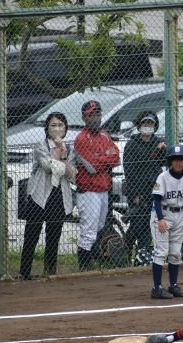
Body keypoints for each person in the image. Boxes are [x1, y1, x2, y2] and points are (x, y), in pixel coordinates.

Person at [20, 112, 77, 279]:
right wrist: (57, 149)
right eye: (53, 125)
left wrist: (63, 155)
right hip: (39, 196)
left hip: (59, 196)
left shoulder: (70, 149)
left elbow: (71, 175)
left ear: (65, 128)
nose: (57, 128)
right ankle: (25, 273)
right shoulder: (41, 145)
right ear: (47, 128)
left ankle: (50, 272)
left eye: (60, 125)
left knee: (53, 237)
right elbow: (48, 166)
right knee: (31, 235)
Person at [73, 100, 121, 270]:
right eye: (91, 115)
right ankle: (84, 267)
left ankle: (95, 262)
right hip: (89, 191)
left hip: (103, 189)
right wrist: (106, 159)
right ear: (84, 118)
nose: (95, 118)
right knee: (89, 231)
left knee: (100, 227)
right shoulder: (81, 139)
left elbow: (117, 158)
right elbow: (92, 167)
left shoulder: (105, 135)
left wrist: (101, 159)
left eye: (98, 114)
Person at [150, 144, 183, 299]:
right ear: (170, 161)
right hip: (163, 214)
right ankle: (157, 288)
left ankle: (173, 285)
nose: (178, 162)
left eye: (181, 159)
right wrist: (161, 219)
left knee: (176, 253)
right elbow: (157, 199)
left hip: (179, 216)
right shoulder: (163, 177)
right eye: (175, 159)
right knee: (162, 252)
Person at [122, 110, 167, 261]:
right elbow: (129, 171)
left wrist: (162, 151)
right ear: (139, 125)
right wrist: (135, 194)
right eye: (145, 123)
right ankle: (125, 254)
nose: (148, 126)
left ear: (155, 125)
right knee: (137, 225)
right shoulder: (132, 144)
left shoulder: (157, 142)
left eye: (151, 123)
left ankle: (142, 255)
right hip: (138, 191)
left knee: (149, 224)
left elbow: (162, 163)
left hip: (153, 191)